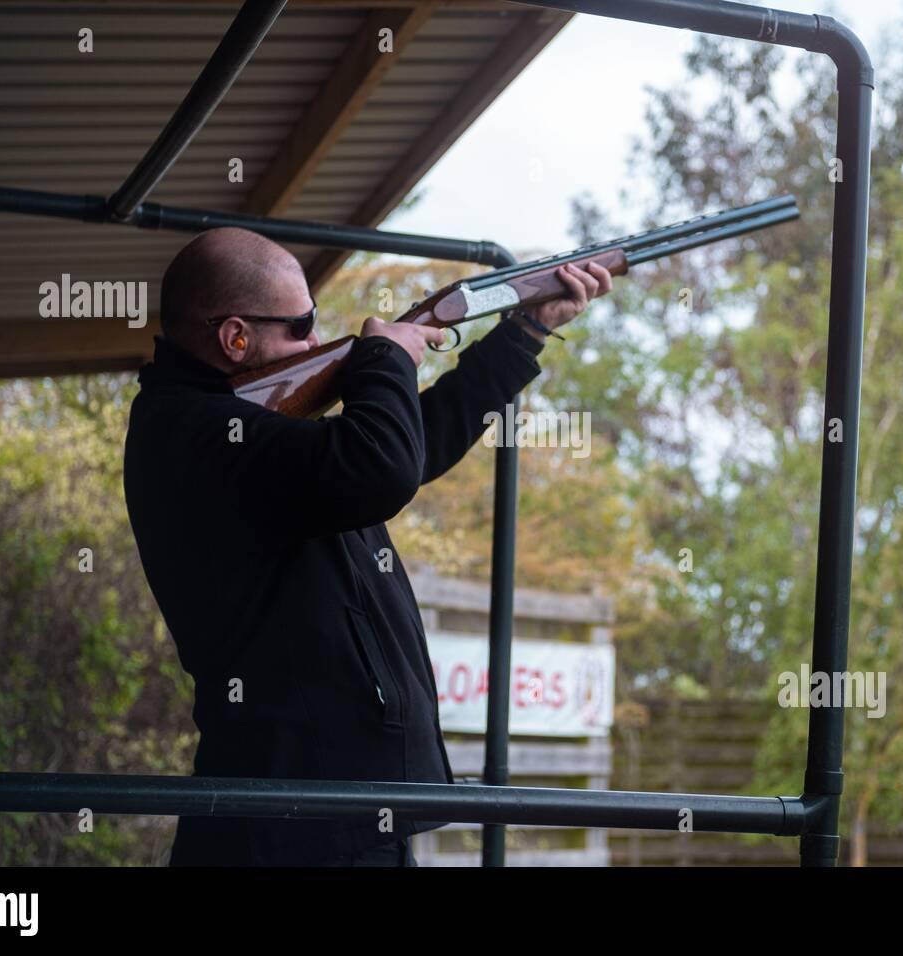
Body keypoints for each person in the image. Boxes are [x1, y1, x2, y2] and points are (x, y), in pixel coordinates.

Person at [123, 227, 611, 865]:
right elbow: (380, 467)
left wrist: (523, 334)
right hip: (293, 820)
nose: (319, 342)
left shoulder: (240, 429)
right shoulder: (203, 434)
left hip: (330, 806)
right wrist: (386, 356)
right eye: (302, 325)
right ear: (235, 337)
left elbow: (411, 449)